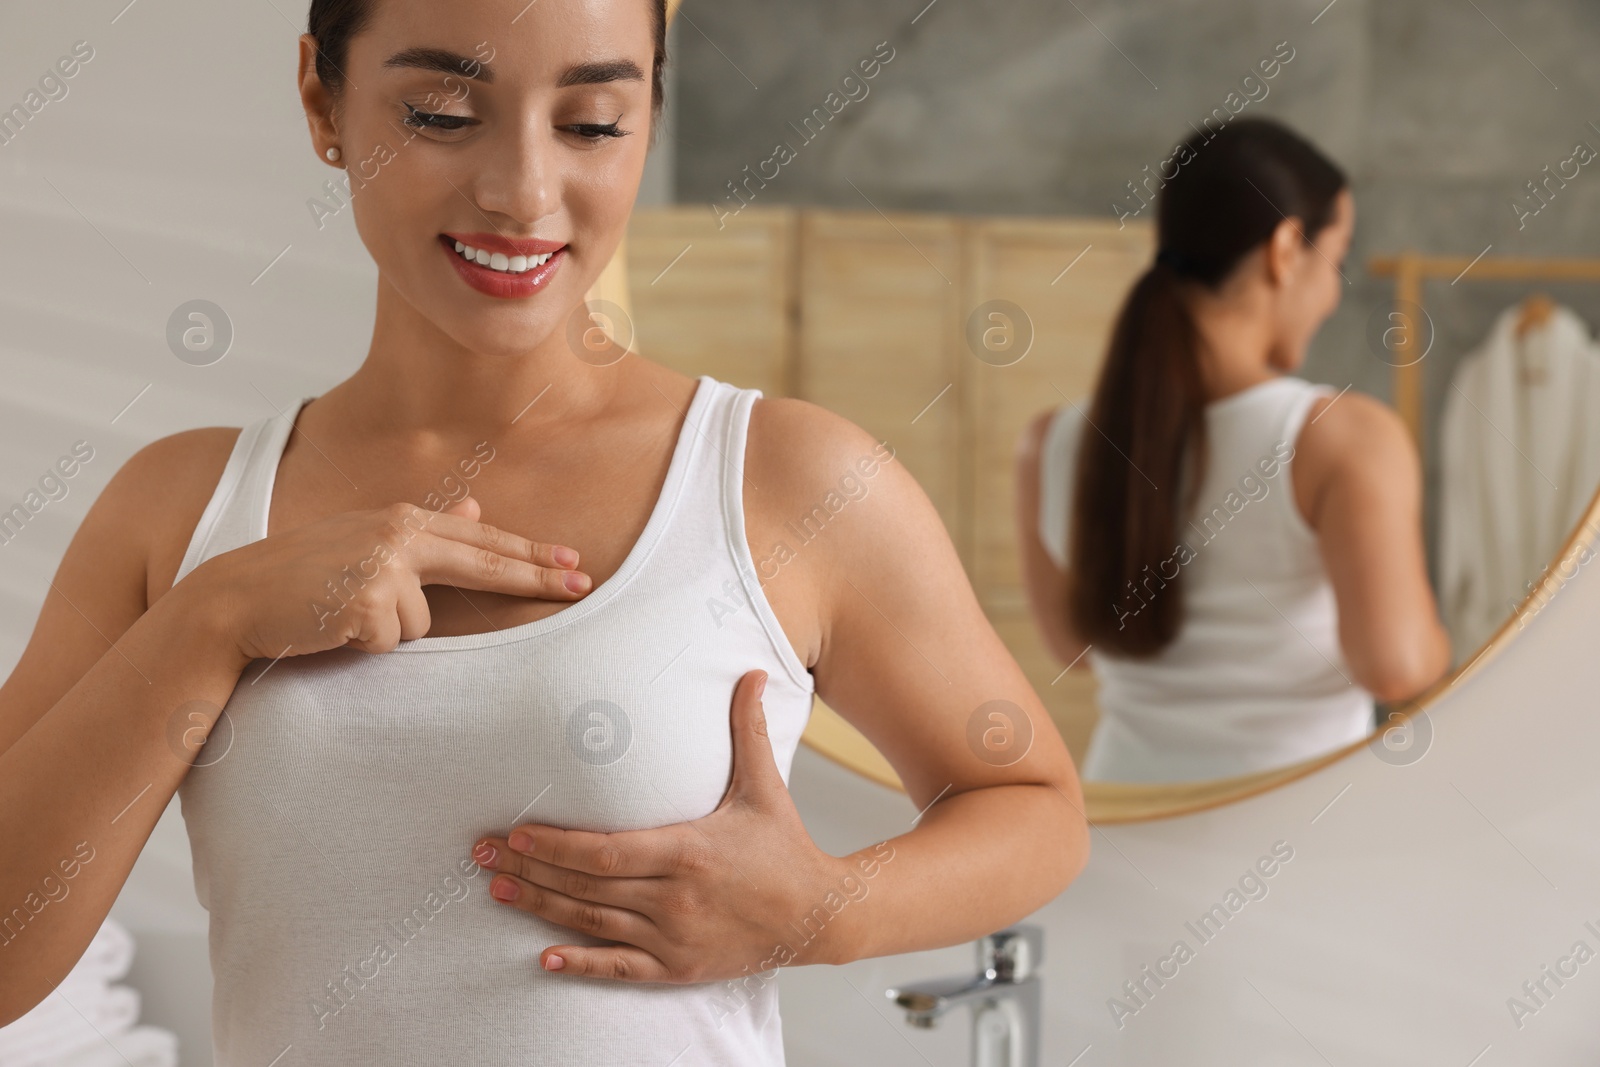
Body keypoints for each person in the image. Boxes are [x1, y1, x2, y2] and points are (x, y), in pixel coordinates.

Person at [0, 1, 1088, 1062]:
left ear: (649, 118)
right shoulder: (180, 507)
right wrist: (216, 616)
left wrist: (827, 908)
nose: (521, 191)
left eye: (591, 124)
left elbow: (1030, 802)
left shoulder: (784, 479)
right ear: (320, 102)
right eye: (439, 113)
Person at [1015, 117, 1451, 784]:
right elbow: (1395, 665)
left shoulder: (1051, 441)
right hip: (1290, 833)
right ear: (1284, 249)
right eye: (1334, 262)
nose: (1333, 293)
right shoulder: (1341, 436)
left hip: (1123, 819)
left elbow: (1073, 647)